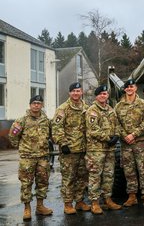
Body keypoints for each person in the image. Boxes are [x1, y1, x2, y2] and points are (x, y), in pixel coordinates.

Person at [8, 95, 53, 221]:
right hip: (27, 158)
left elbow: (51, 135)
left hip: (43, 157)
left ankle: (40, 206)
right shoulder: (21, 120)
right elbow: (12, 136)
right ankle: (27, 208)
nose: (36, 105)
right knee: (26, 184)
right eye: (34, 103)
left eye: (39, 103)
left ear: (42, 105)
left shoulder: (46, 121)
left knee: (43, 182)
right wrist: (23, 148)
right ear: (30, 105)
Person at [52, 82, 91, 214]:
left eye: (78, 91)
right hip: (69, 151)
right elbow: (56, 128)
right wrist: (63, 144)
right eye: (73, 91)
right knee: (68, 178)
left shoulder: (86, 107)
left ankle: (79, 201)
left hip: (84, 149)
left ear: (81, 92)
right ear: (70, 93)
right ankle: (68, 204)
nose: (76, 93)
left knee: (82, 177)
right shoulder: (63, 108)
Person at [115, 79, 144, 207]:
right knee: (128, 171)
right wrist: (125, 135)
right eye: (127, 87)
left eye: (132, 86)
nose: (129, 89)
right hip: (126, 144)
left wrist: (133, 134)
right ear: (125, 89)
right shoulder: (118, 106)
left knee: (143, 169)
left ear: (135, 88)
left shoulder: (143, 105)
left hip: (140, 142)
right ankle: (132, 196)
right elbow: (116, 124)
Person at [85, 85, 121, 214]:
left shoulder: (111, 109)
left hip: (109, 150)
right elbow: (93, 130)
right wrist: (107, 138)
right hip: (96, 150)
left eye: (105, 94)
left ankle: (108, 199)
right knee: (95, 176)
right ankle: (94, 202)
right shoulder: (92, 111)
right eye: (100, 94)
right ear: (96, 96)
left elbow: (117, 125)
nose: (103, 96)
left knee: (109, 175)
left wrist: (116, 135)